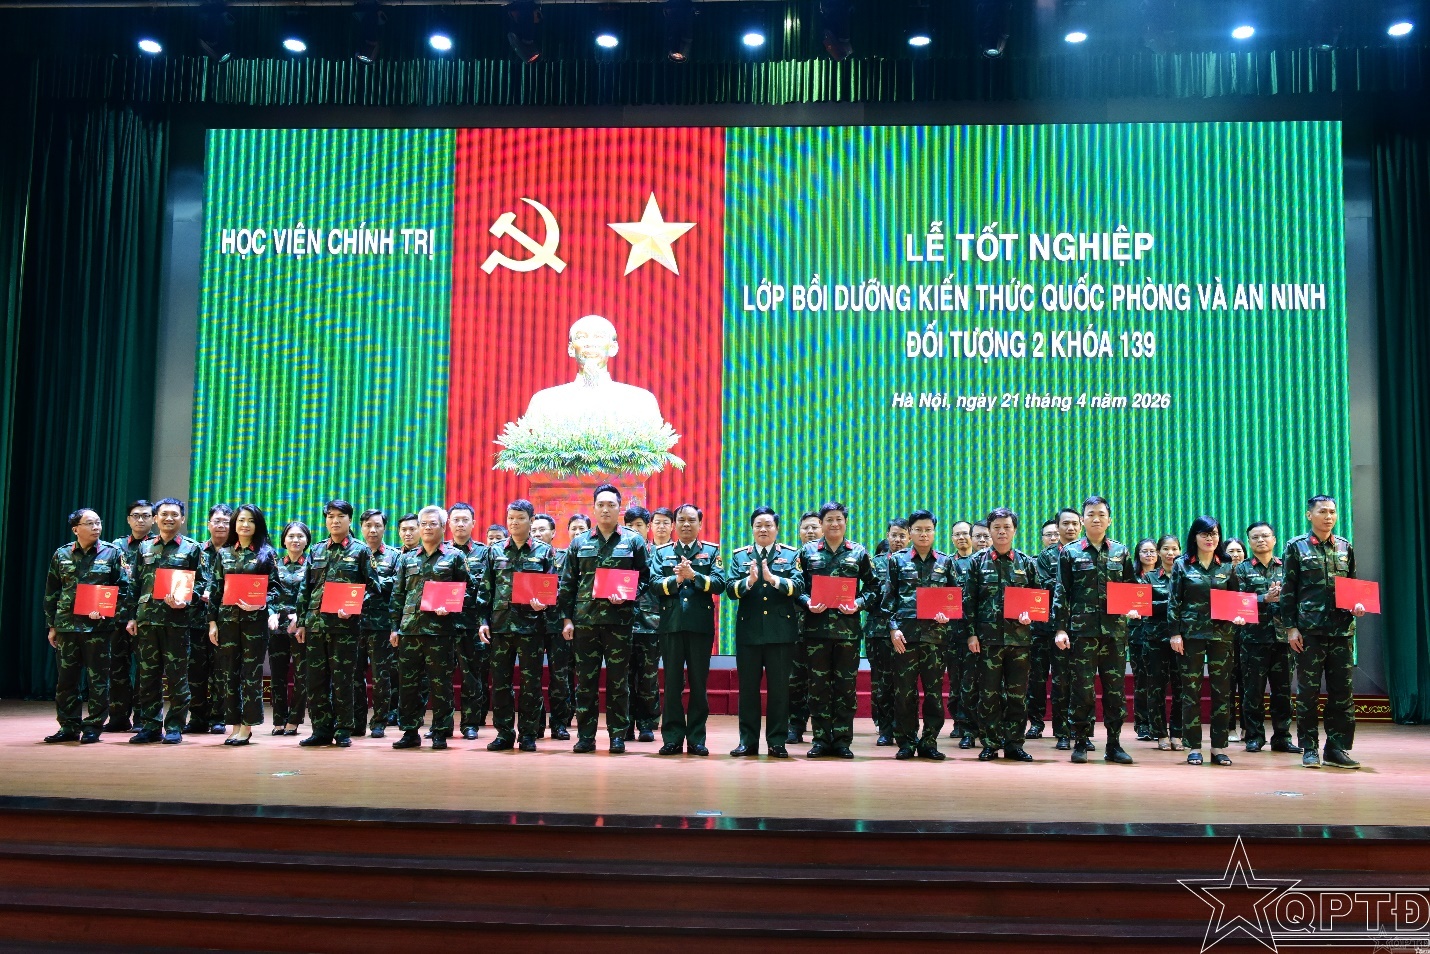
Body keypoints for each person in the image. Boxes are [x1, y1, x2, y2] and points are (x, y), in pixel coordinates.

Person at [557, 483, 652, 753]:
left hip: (619, 622)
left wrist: (629, 595)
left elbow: (645, 578)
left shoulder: (633, 541)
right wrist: (566, 619)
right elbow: (567, 584)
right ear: (594, 508)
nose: (606, 509)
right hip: (585, 622)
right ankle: (586, 736)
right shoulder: (579, 542)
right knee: (585, 683)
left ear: (619, 508)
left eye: (611, 504)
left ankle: (617, 736)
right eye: (601, 505)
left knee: (618, 683)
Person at [1052, 496, 1139, 765]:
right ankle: (1080, 741)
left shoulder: (1121, 552)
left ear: (1109, 520)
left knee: (1115, 690)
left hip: (1114, 633)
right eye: (1091, 514)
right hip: (1082, 633)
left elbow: (1131, 587)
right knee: (1082, 689)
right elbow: (1062, 592)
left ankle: (1114, 744)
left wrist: (1134, 607)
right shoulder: (1070, 552)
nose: (1096, 519)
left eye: (1101, 514)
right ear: (1083, 520)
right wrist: (1060, 629)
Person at [1280, 495, 1365, 769]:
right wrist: (1291, 628)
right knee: (1308, 693)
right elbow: (1288, 591)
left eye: (1332, 512)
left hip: (1341, 631)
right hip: (1309, 632)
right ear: (1310, 515)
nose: (1328, 517)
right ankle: (1309, 748)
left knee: (1342, 693)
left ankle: (1336, 748)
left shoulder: (1345, 546)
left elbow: (1353, 586)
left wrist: (1358, 605)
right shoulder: (1296, 547)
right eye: (1322, 512)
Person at [795, 502, 880, 760]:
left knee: (845, 688)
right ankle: (821, 740)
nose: (834, 524)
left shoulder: (859, 552)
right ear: (821, 524)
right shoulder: (807, 552)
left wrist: (858, 604)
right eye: (829, 519)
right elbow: (796, 587)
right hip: (815, 632)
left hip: (847, 633)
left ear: (845, 522)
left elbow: (874, 587)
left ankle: (842, 740)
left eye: (839, 519)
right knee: (817, 688)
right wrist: (807, 602)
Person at [294, 499, 381, 748]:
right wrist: (302, 622)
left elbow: (373, 588)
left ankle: (343, 729)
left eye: (340, 516)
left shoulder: (360, 551)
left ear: (349, 520)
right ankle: (321, 729)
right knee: (315, 680)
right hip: (316, 625)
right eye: (330, 516)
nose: (335, 521)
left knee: (344, 680)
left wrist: (354, 607)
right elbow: (305, 588)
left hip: (345, 627)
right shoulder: (316, 550)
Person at [44, 509, 132, 743]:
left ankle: (93, 726)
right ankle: (68, 726)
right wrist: (52, 625)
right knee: (66, 680)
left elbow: (123, 589)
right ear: (76, 529)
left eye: (98, 523)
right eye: (90, 523)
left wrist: (105, 610)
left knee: (98, 680)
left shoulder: (112, 553)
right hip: (67, 626)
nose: (96, 527)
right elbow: (52, 591)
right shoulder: (62, 554)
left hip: (98, 628)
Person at [127, 498, 209, 744]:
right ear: (155, 518)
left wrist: (187, 599)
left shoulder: (192, 549)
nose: (169, 518)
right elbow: (134, 584)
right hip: (147, 621)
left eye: (175, 514)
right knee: (148, 677)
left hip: (178, 622)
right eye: (164, 514)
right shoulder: (145, 547)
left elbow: (204, 583)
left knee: (177, 677)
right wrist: (131, 617)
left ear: (183, 519)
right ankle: (150, 726)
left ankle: (174, 726)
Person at [390, 505, 472, 750]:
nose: (427, 528)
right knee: (408, 685)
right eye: (423, 524)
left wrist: (451, 606)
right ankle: (410, 731)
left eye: (432, 523)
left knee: (440, 684)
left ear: (443, 526)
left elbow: (468, 591)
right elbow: (398, 595)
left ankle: (440, 731)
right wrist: (394, 627)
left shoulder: (455, 557)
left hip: (440, 631)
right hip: (410, 630)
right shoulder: (406, 558)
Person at [726, 507, 803, 758]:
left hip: (781, 633)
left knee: (779, 690)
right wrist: (748, 582)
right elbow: (729, 589)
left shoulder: (791, 554)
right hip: (749, 632)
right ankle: (747, 742)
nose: (763, 529)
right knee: (748, 690)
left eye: (768, 525)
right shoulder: (740, 556)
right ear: (752, 529)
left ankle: (777, 742)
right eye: (758, 525)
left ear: (776, 529)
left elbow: (799, 586)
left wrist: (773, 580)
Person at [963, 508, 1038, 762]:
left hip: (1019, 640)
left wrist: (1031, 614)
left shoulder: (1026, 563)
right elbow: (968, 601)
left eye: (1007, 527)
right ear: (989, 530)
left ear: (1014, 530)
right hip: (988, 641)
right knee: (989, 695)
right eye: (996, 527)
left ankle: (1015, 744)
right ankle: (990, 743)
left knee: (1018, 696)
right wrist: (971, 635)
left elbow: (1039, 599)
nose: (1002, 532)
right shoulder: (977, 562)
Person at [482, 499, 557, 752]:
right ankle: (504, 733)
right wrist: (483, 622)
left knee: (531, 684)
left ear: (531, 520)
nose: (514, 522)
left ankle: (528, 734)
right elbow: (486, 590)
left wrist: (544, 604)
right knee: (500, 683)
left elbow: (552, 589)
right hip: (501, 627)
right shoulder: (494, 551)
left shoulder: (544, 551)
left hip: (531, 627)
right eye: (511, 518)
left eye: (520, 518)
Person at [651, 504, 725, 756]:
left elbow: (720, 584)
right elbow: (653, 584)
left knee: (698, 684)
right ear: (674, 524)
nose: (686, 524)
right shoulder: (662, 552)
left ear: (700, 524)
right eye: (681, 520)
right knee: (672, 684)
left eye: (691, 520)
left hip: (699, 627)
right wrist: (677, 580)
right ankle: (672, 738)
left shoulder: (711, 552)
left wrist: (694, 576)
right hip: (671, 625)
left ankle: (696, 738)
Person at [884, 510, 958, 760]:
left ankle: (929, 741)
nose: (924, 534)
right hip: (904, 638)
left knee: (934, 694)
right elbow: (888, 600)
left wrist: (948, 615)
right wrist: (893, 628)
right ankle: (906, 742)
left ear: (934, 532)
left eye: (928, 530)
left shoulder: (946, 562)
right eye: (918, 529)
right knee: (904, 693)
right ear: (910, 532)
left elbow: (955, 598)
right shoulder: (897, 560)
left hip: (935, 638)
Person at [1168, 516, 1239, 766]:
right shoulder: (1182, 564)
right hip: (1191, 635)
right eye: (1204, 534)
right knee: (1191, 692)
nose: (1210, 539)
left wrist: (1239, 615)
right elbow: (1174, 601)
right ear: (1195, 537)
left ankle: (1219, 747)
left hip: (1222, 635)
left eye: (1214, 534)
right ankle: (1194, 747)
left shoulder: (1227, 565)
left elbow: (1236, 598)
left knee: (1222, 691)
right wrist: (1175, 633)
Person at [207, 504, 278, 746]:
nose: (245, 525)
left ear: (258, 525)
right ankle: (234, 725)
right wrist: (212, 623)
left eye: (250, 521)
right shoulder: (224, 553)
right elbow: (216, 590)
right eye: (240, 520)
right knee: (229, 674)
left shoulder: (267, 554)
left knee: (250, 675)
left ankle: (247, 726)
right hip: (227, 622)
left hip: (254, 624)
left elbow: (276, 589)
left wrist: (261, 603)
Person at [1234, 522, 1298, 755]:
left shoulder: (1287, 567)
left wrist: (1283, 598)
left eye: (1265, 536)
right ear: (1249, 542)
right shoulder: (1241, 569)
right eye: (1255, 537)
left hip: (1283, 639)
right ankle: (1254, 736)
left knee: (1283, 692)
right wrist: (1264, 598)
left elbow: (1298, 597)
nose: (1261, 540)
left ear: (1274, 539)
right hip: (1253, 639)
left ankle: (1282, 737)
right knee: (1253, 692)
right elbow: (1236, 600)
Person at [105, 499, 154, 733]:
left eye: (146, 516)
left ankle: (143, 718)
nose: (140, 520)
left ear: (153, 519)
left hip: (146, 616)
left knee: (146, 669)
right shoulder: (115, 547)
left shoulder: (158, 545)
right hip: (117, 615)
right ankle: (118, 717)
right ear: (128, 519)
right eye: (136, 516)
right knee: (116, 668)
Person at [448, 502, 493, 740]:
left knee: (472, 677)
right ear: (449, 523)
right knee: (441, 676)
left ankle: (470, 724)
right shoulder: (442, 552)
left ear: (473, 523)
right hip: (443, 625)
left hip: (472, 624)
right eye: (456, 520)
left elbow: (487, 589)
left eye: (465, 520)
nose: (460, 524)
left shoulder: (485, 553)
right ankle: (443, 724)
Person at [355, 509, 402, 739]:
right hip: (353, 624)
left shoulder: (395, 556)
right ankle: (356, 721)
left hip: (381, 625)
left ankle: (379, 721)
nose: (372, 530)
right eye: (368, 526)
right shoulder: (353, 554)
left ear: (384, 528)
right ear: (361, 528)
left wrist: (371, 584)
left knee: (381, 676)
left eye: (377, 526)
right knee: (354, 676)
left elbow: (397, 585)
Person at [189, 504, 233, 736]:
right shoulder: (195, 551)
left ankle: (218, 717)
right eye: (217, 521)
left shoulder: (236, 552)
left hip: (225, 621)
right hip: (196, 619)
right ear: (208, 524)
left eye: (226, 521)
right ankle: (197, 717)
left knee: (221, 671)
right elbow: (185, 580)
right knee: (195, 671)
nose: (221, 525)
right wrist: (199, 593)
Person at [866, 518, 909, 747]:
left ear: (909, 537)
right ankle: (885, 729)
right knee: (882, 683)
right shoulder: (876, 563)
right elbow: (867, 593)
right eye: (894, 535)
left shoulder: (913, 563)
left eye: (902, 535)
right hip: (879, 632)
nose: (898, 540)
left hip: (907, 632)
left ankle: (904, 728)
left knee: (904, 683)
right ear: (887, 536)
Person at [532, 513, 575, 739]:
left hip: (558, 623)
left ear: (553, 533)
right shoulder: (526, 557)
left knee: (560, 676)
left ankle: (559, 723)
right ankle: (536, 724)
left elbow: (571, 588)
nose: (538, 534)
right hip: (532, 624)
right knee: (533, 677)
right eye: (534, 530)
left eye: (542, 530)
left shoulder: (565, 557)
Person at [623, 504, 662, 742]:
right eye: (630, 526)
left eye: (639, 525)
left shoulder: (659, 553)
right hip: (623, 624)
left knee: (648, 678)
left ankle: (647, 724)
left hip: (651, 624)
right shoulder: (620, 552)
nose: (635, 530)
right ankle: (625, 724)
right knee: (624, 678)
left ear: (648, 527)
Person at [1023, 517, 1063, 740]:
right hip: (1039, 629)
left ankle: (1061, 726)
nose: (1053, 538)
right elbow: (1042, 587)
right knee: (1036, 680)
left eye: (1056, 534)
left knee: (1062, 680)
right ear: (1042, 538)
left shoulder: (1072, 556)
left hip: (1064, 629)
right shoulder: (1036, 562)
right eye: (1049, 535)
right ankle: (1036, 723)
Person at [269, 520, 310, 736]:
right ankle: (278, 720)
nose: (295, 540)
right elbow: (267, 593)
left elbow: (314, 596)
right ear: (284, 540)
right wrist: (271, 613)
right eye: (291, 536)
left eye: (300, 536)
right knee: (278, 676)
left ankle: (294, 720)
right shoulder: (274, 565)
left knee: (302, 676)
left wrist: (301, 616)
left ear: (307, 541)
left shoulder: (312, 564)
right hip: (277, 628)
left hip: (301, 628)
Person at [1143, 534, 1184, 750]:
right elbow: (1144, 605)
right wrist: (1172, 603)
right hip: (1155, 639)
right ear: (1159, 552)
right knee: (1156, 687)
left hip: (1182, 639)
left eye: (1174, 549)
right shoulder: (1149, 577)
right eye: (1166, 549)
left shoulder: (1186, 575)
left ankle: (1177, 732)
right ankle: (1159, 733)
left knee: (1181, 687)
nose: (1170, 553)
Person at [786, 510, 823, 744]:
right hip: (796, 628)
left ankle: (823, 729)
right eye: (805, 528)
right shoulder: (791, 557)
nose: (810, 532)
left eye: (814, 527)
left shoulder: (831, 556)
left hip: (824, 629)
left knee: (821, 681)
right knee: (795, 680)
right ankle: (795, 726)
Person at [946, 520, 982, 749]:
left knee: (974, 680)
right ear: (952, 538)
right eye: (956, 534)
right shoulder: (946, 563)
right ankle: (959, 722)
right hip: (951, 632)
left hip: (975, 632)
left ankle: (976, 723)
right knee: (956, 680)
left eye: (965, 534)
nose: (961, 538)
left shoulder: (979, 562)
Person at [1129, 538, 1160, 741]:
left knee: (1158, 682)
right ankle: (1142, 724)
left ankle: (1158, 725)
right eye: (1144, 551)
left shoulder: (1164, 575)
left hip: (1159, 634)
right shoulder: (1131, 578)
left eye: (1152, 551)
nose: (1149, 555)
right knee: (1142, 680)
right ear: (1138, 555)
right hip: (1138, 635)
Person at [1218, 536, 1248, 742]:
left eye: (1239, 551)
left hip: (1249, 635)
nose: (1235, 555)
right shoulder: (1220, 574)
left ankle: (1247, 727)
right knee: (1227, 683)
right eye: (1231, 551)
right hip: (1225, 635)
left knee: (1247, 684)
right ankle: (1229, 728)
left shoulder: (1250, 572)